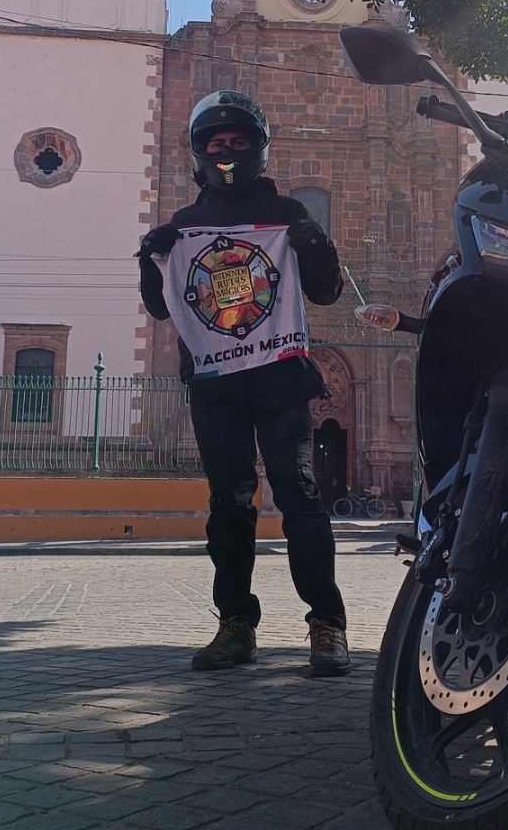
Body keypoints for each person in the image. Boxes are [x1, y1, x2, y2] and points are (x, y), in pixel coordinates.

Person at [137, 89, 350, 676]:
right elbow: (161, 309)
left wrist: (314, 247)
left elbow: (326, 291)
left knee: (299, 497)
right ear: (198, 153)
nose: (225, 151)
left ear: (258, 148)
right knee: (229, 505)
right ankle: (235, 625)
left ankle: (327, 626)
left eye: (237, 141)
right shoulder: (183, 226)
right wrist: (147, 260)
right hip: (215, 384)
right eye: (214, 143)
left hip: (280, 377)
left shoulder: (287, 214)